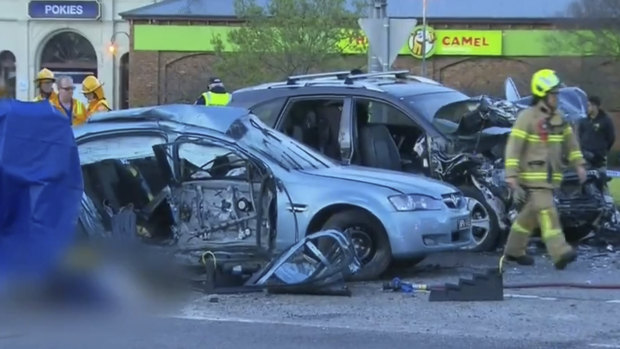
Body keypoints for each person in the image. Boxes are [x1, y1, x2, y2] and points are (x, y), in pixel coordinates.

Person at [503, 69, 587, 270]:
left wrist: (579, 164)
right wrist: (511, 175)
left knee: (530, 214)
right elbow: (514, 147)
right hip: (533, 176)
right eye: (553, 94)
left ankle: (514, 250)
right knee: (548, 211)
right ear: (542, 94)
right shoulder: (527, 117)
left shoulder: (559, 118)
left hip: (551, 177)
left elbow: (571, 144)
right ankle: (559, 252)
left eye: (557, 94)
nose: (556, 98)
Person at [577, 95, 615, 170]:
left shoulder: (606, 120)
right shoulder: (583, 121)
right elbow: (580, 136)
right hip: (585, 156)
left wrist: (603, 150)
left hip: (599, 158)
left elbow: (611, 138)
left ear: (595, 106)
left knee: (600, 178)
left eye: (589, 105)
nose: (587, 108)